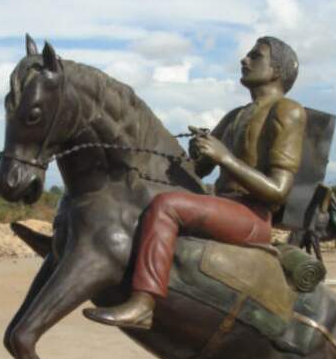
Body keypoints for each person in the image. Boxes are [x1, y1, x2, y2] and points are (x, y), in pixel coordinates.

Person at [84, 36, 306, 330]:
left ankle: (143, 304)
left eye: (255, 56)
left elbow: (279, 190)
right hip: (225, 206)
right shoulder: (236, 115)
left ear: (277, 69)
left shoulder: (288, 110)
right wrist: (198, 152)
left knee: (167, 206)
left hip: (253, 216)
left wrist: (225, 158)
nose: (244, 60)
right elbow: (199, 172)